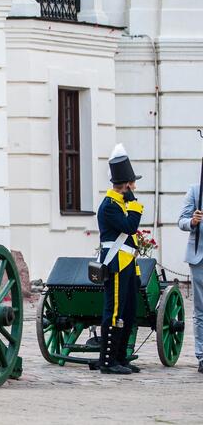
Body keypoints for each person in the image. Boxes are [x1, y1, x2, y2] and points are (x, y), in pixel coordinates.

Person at [96, 144, 144, 375]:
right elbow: (130, 227)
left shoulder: (120, 204)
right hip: (115, 263)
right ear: (125, 185)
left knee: (128, 311)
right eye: (132, 183)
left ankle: (121, 356)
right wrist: (134, 205)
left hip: (127, 264)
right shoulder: (109, 206)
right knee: (114, 312)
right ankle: (107, 360)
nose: (134, 187)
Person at [178, 181, 203, 374]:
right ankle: (202, 356)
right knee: (200, 310)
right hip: (199, 257)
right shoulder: (195, 191)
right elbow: (182, 221)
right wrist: (193, 221)